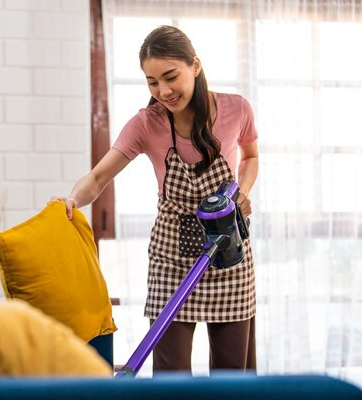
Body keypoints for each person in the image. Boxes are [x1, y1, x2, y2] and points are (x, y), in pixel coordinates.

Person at [51, 25, 259, 373]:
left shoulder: (237, 109)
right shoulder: (147, 124)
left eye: (170, 76)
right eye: (152, 81)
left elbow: (250, 157)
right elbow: (99, 176)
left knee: (232, 375)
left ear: (195, 66)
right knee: (169, 375)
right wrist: (72, 199)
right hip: (172, 260)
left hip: (228, 251)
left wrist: (241, 194)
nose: (163, 90)